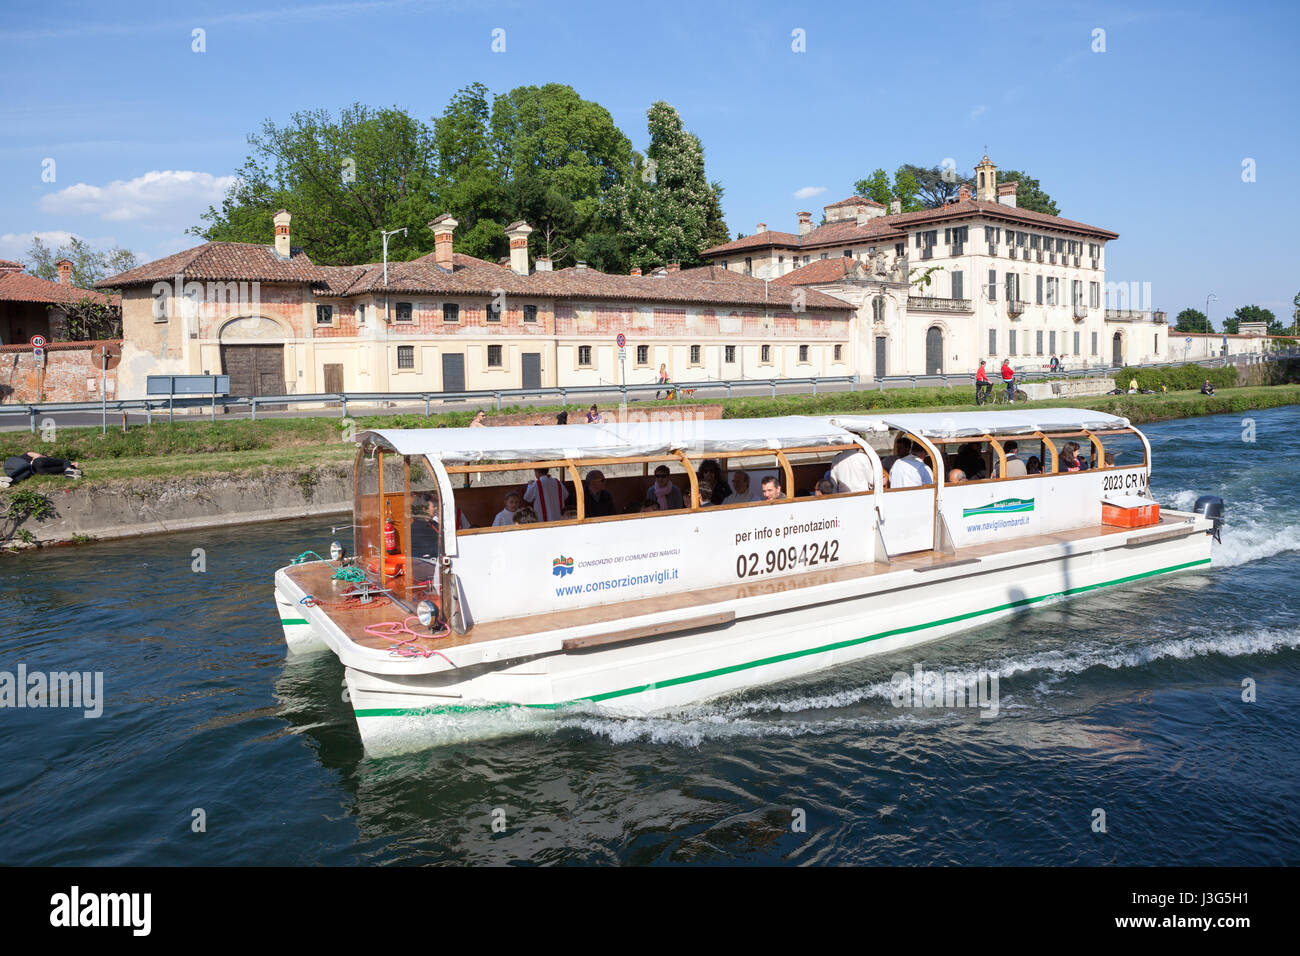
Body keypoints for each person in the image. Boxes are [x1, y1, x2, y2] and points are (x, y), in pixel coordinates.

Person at [3, 451, 82, 486]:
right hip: (37, 464)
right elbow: (38, 457)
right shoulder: (27, 454)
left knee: (62, 467)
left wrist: (71, 466)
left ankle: (69, 472)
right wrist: (69, 464)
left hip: (38, 471)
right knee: (65, 461)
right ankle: (69, 469)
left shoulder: (20, 463)